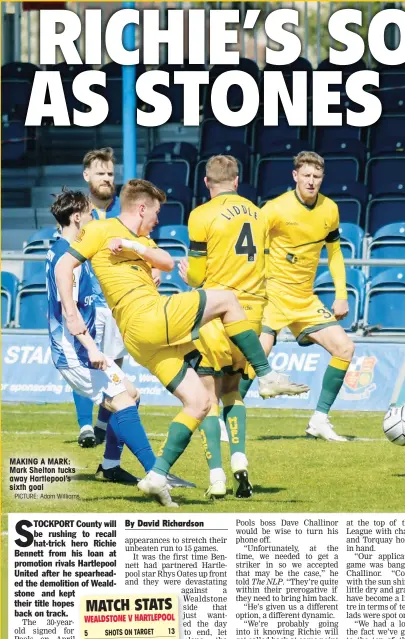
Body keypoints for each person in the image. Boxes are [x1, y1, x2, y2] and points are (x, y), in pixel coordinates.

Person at [54, 179, 284, 507]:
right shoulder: (101, 230)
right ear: (142, 208)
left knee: (200, 401)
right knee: (228, 300)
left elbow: (165, 261)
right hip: (147, 315)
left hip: (143, 339)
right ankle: (265, 375)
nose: (158, 220)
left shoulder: (140, 239)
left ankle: (157, 476)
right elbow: (65, 266)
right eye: (156, 212)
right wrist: (73, 316)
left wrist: (136, 248)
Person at [178, 155, 309, 499]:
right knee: (232, 392)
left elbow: (196, 274)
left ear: (207, 183)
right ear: (237, 181)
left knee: (206, 398)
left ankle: (217, 477)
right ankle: (240, 463)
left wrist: (184, 275)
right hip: (251, 313)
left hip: (216, 313)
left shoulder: (200, 215)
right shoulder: (259, 214)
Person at [46, 188, 184, 506]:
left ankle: (111, 466)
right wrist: (90, 347)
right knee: (122, 400)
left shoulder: (61, 249)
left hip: (80, 347)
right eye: (91, 213)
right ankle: (156, 474)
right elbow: (69, 310)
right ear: (77, 216)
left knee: (131, 395)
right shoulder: (69, 257)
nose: (96, 218)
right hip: (75, 351)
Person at [242, 151, 354, 442]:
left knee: (344, 348)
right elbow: (249, 245)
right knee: (258, 352)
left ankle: (319, 420)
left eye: (316, 176)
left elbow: (336, 253)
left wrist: (341, 294)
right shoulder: (275, 209)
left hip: (305, 298)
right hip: (273, 294)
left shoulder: (329, 209)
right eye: (306, 175)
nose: (311, 181)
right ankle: (228, 419)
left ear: (322, 178)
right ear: (295, 176)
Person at [73, 147, 126, 448]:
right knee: (85, 363)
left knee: (115, 365)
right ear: (87, 175)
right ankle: (85, 426)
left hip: (118, 302)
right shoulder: (77, 212)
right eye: (100, 173)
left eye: (110, 174)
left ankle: (101, 424)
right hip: (88, 303)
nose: (106, 178)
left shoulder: (124, 209)